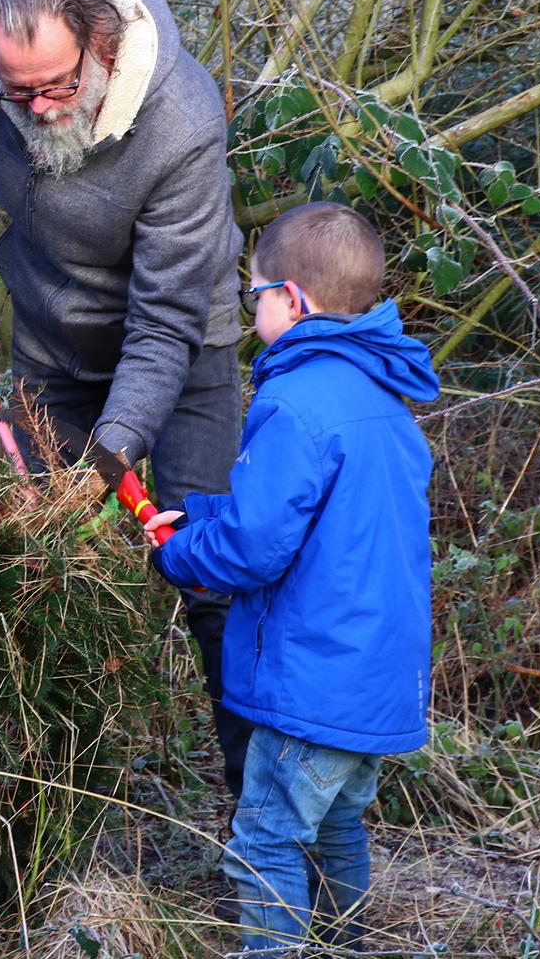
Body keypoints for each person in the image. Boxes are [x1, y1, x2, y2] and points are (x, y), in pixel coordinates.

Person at [0, 0, 249, 794]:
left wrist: (116, 452)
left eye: (57, 87)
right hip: (49, 346)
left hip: (183, 358)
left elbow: (166, 321)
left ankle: (262, 818)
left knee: (210, 578)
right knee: (29, 563)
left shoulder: (182, 119)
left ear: (100, 45)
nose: (35, 107)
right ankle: (43, 807)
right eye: (17, 90)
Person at [144, 203, 438, 953]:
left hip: (313, 677)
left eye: (255, 296)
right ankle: (347, 944)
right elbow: (323, 525)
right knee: (338, 824)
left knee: (265, 839)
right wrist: (205, 516)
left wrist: (177, 555)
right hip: (375, 678)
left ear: (294, 301)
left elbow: (254, 550)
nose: (251, 314)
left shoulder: (293, 400)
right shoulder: (385, 401)